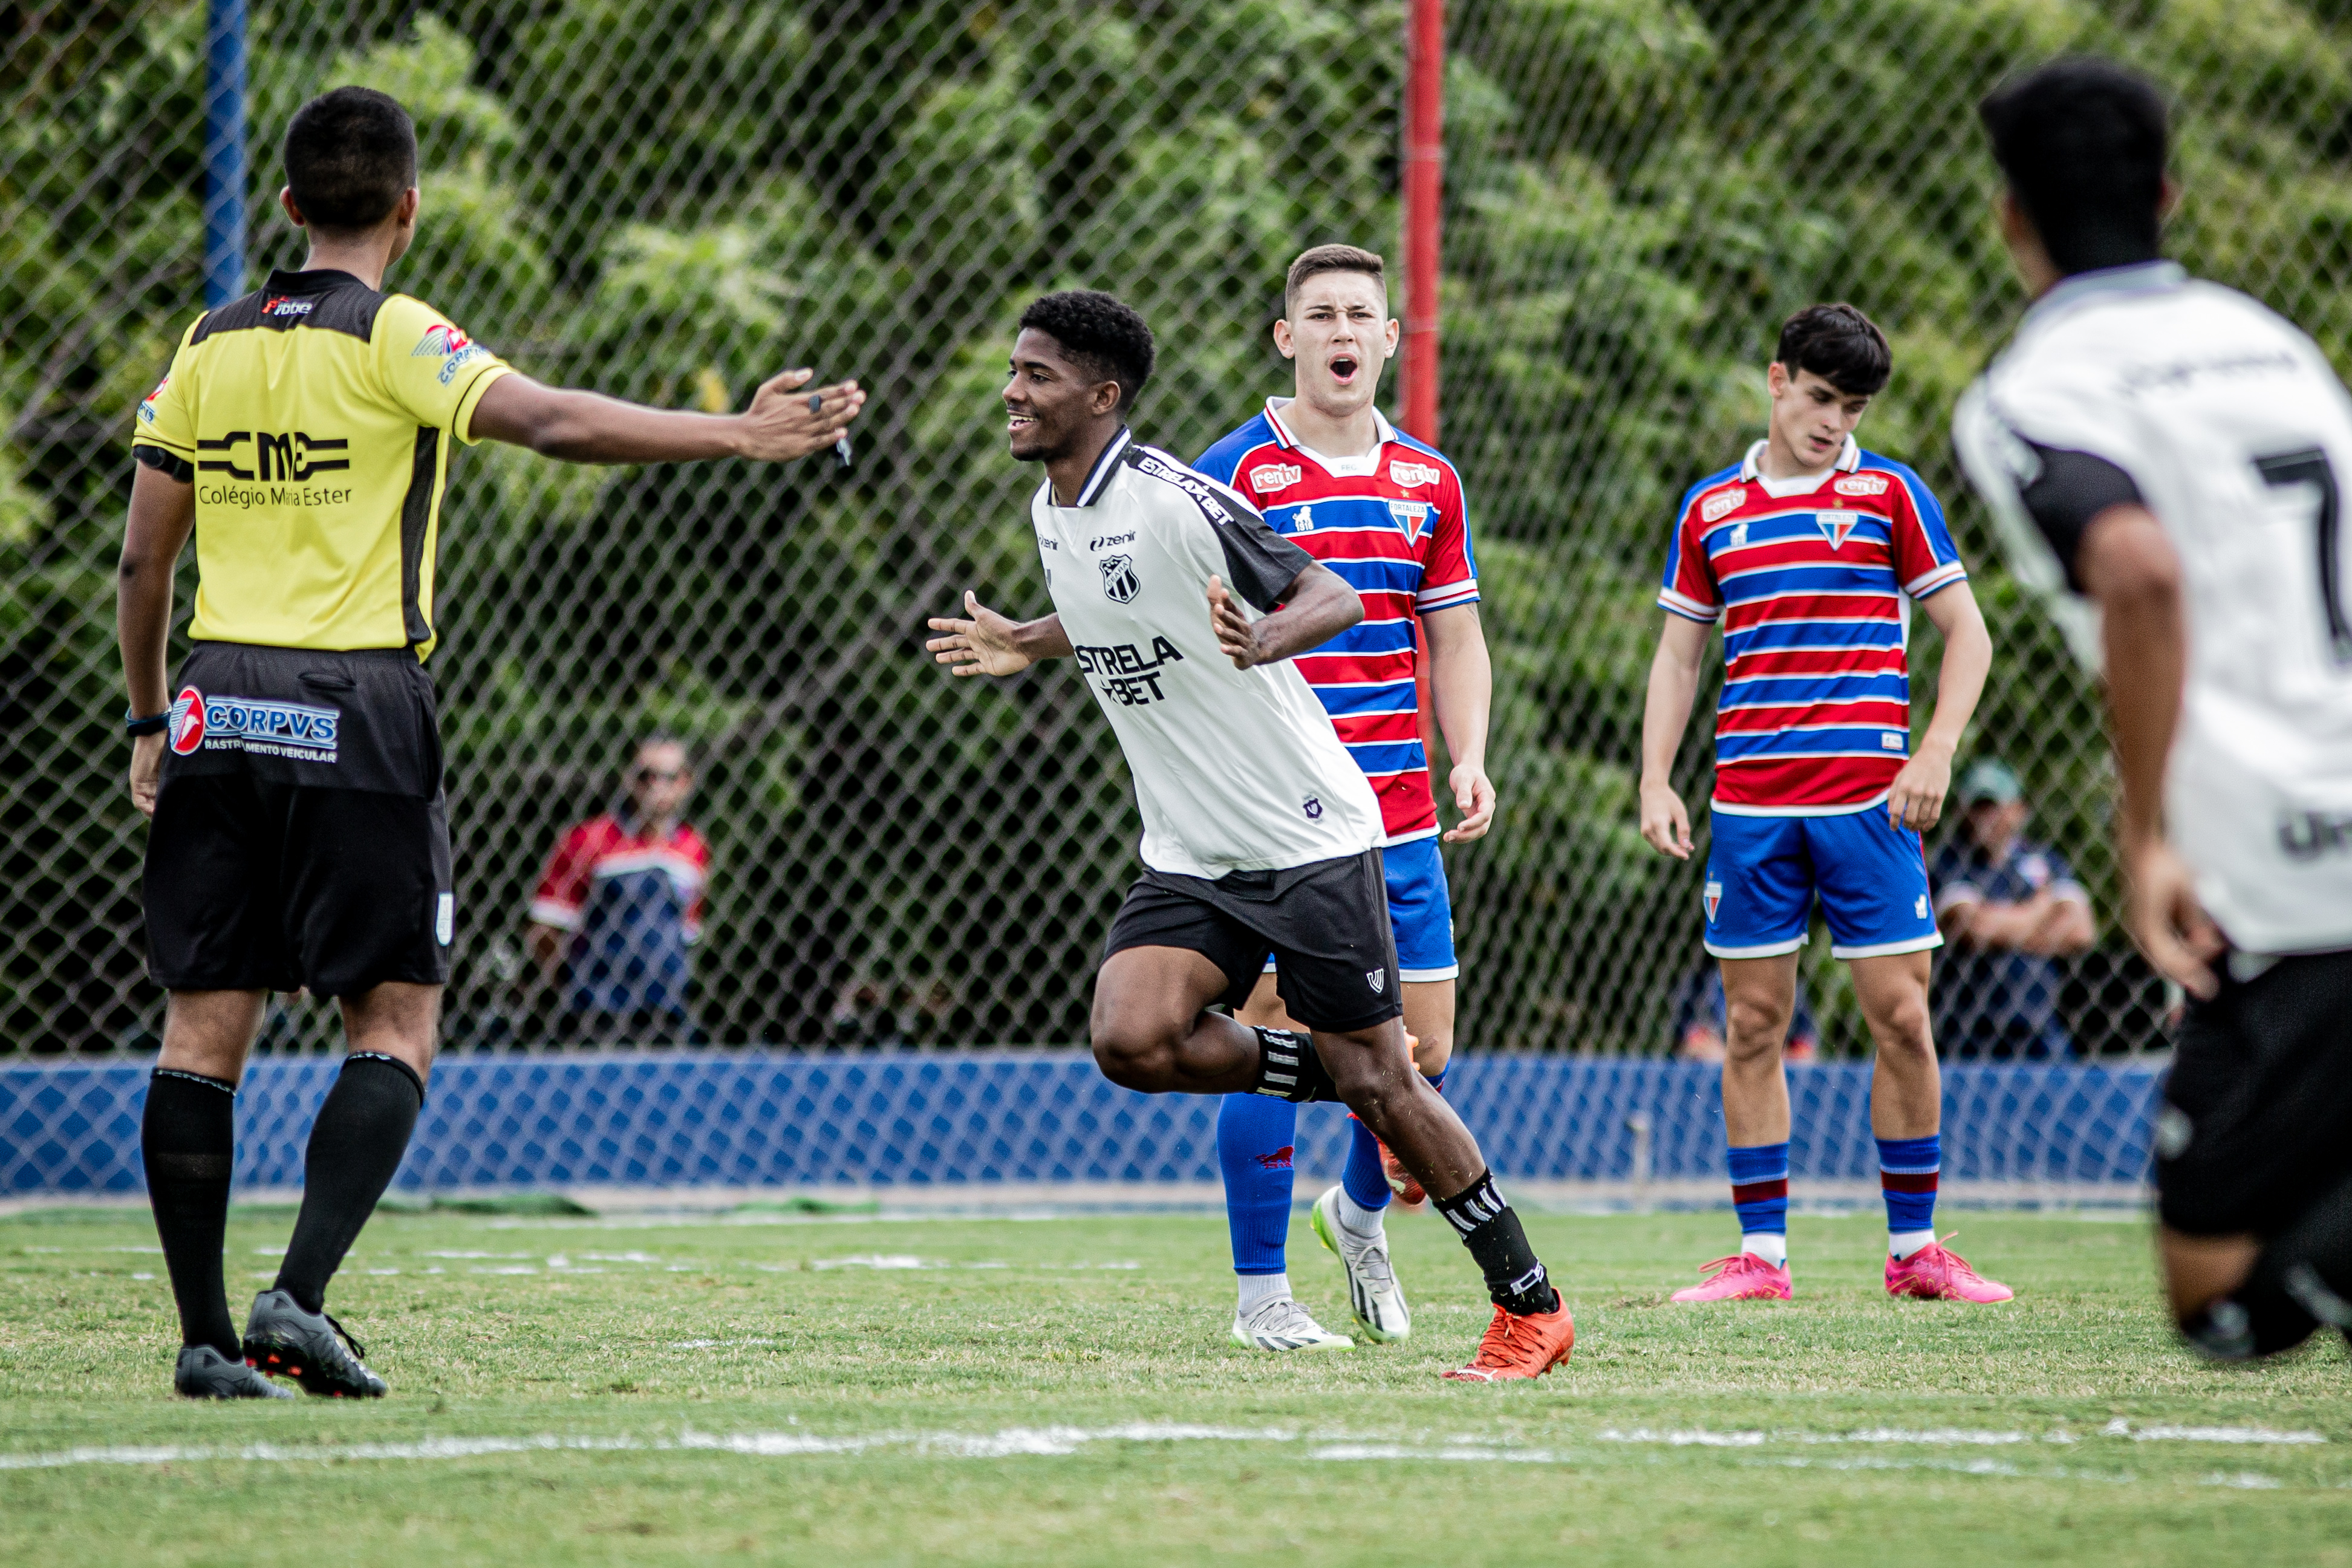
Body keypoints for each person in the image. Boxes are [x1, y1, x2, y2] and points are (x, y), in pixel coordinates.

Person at [120, 87, 864, 1399]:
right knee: (396, 1019)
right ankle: (293, 1297)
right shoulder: (396, 334)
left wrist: (145, 718)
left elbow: (142, 555)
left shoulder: (209, 345)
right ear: (410, 207)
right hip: (354, 703)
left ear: (287, 205)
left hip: (214, 701)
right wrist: (736, 434)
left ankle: (198, 1339)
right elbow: (556, 422)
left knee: (199, 1033)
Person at [926, 290, 1574, 1380]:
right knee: (1132, 1036)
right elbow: (1116, 615)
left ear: (1101, 394)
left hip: (1304, 833)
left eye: (1034, 375)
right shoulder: (1054, 511)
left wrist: (1265, 634)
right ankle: (1341, 1074)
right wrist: (1028, 642)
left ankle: (1529, 1303)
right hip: (1191, 848)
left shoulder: (1174, 495)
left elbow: (1330, 596)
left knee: (1392, 1082)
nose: (1011, 390)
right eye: (1012, 369)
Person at [1954, 57, 2352, 1361]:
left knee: (2225, 1306)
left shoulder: (2037, 391)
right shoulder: (2275, 346)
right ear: (2170, 194)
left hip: (2290, 865)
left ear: (2009, 214)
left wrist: (2147, 835)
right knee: (2231, 1289)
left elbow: (2135, 567)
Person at [1638, 302, 2012, 1305]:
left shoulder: (1890, 493)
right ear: (1774, 380)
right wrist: (1652, 776)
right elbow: (1679, 653)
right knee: (1751, 1023)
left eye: (1848, 407)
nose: (1831, 422)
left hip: (1868, 805)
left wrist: (1932, 750)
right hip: (1750, 807)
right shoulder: (1711, 508)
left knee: (1900, 1016)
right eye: (1815, 398)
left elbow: (1965, 634)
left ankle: (1914, 1249)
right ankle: (1760, 1256)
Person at [1187, 244, 1491, 1351]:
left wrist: (1468, 752)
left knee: (1422, 1053)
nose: (1340, 331)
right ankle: (1260, 1297)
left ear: (1388, 337)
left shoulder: (1428, 479)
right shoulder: (1234, 470)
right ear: (1287, 338)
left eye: (1359, 313)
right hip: (1276, 823)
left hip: (1400, 817)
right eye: (1318, 314)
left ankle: (1357, 1218)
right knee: (1270, 1032)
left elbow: (1452, 633)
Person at [525, 735, 711, 1045]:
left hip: (668, 1016)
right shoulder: (589, 840)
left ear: (686, 783)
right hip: (598, 1017)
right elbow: (545, 928)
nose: (656, 786)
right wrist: (574, 984)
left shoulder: (694, 850)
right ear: (629, 779)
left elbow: (687, 932)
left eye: (669, 777)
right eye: (645, 776)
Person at [1929, 759, 2094, 1059]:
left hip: (2041, 1028)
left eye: (1995, 807)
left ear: (2019, 810)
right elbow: (1972, 927)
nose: (1985, 818)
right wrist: (2041, 910)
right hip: (1969, 1033)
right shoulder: (1949, 863)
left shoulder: (2044, 859)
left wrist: (2002, 929)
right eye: (1978, 808)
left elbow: (2081, 931)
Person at [1668, 965, 1819, 1064]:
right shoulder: (1701, 984)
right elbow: (1691, 1045)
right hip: (1715, 1073)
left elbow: (1804, 1051)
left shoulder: (1789, 988)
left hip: (1773, 1071)